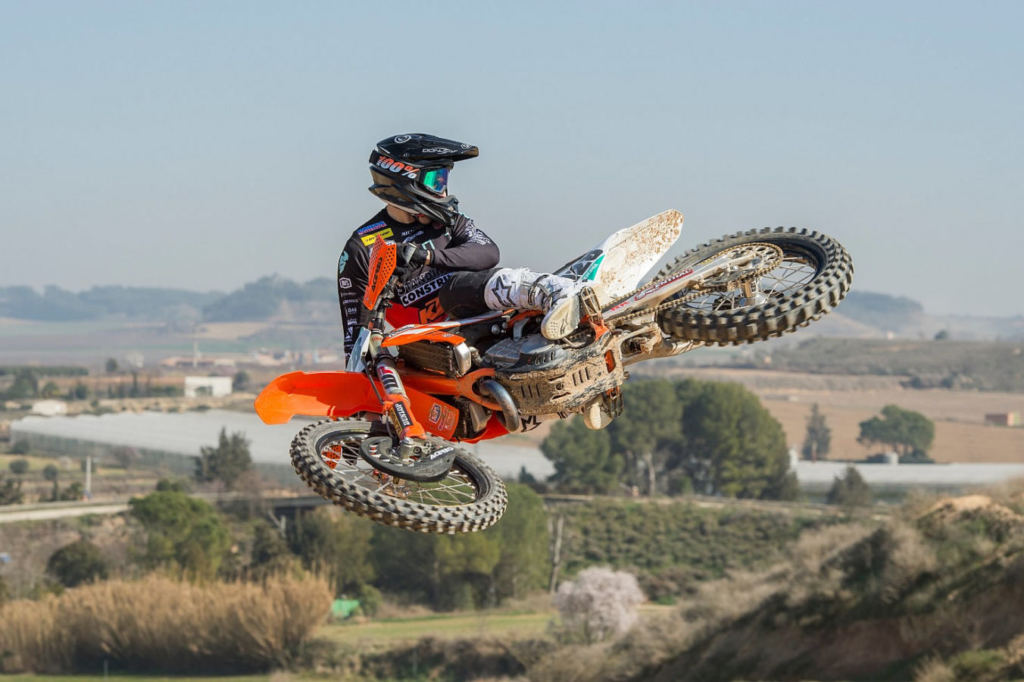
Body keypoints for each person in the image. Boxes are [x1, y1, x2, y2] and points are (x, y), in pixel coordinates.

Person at [337, 133, 594, 357]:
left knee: (455, 287)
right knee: (449, 294)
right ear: (405, 181)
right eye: (436, 180)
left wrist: (425, 256)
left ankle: (554, 291)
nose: (443, 191)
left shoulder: (448, 220)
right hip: (430, 346)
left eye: (444, 180)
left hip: (485, 317)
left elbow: (488, 252)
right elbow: (354, 335)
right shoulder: (362, 246)